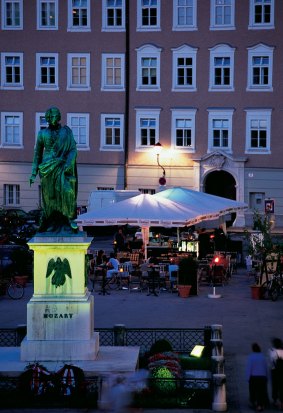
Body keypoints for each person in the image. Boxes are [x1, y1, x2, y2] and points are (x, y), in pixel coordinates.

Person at [29, 106, 78, 233]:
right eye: (51, 117)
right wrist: (34, 172)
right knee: (49, 197)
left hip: (62, 166)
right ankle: (50, 221)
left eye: (56, 116)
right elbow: (37, 154)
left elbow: (73, 149)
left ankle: (69, 218)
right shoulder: (42, 133)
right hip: (46, 169)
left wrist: (69, 162)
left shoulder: (66, 132)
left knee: (68, 191)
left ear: (59, 117)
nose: (54, 119)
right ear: (48, 118)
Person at [246, 342, 269, 411]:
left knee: (253, 391)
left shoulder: (251, 357)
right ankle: (261, 405)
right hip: (262, 377)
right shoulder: (262, 356)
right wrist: (267, 376)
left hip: (253, 377)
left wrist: (247, 377)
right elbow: (266, 367)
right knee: (261, 391)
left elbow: (249, 368)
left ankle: (254, 403)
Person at [268, 337, 283, 409]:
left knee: (275, 386)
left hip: (275, 371)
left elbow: (271, 361)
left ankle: (275, 401)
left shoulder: (272, 351)